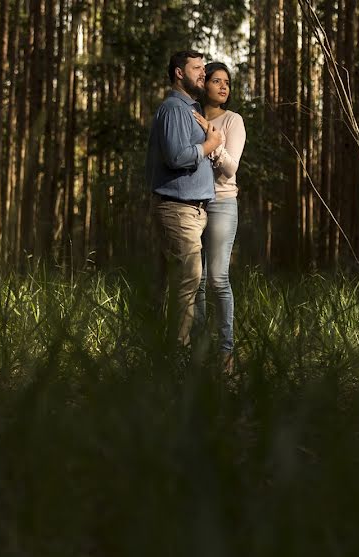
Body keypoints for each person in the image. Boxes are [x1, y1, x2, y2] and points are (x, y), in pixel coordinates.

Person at [146, 50, 223, 349]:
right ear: (179, 73)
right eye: (197, 68)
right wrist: (209, 144)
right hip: (178, 210)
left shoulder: (190, 108)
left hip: (191, 211)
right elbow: (177, 156)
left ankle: (164, 355)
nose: (203, 73)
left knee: (176, 285)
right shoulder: (175, 109)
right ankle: (177, 354)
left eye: (204, 68)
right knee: (187, 285)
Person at [193, 62, 246, 372]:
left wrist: (212, 141)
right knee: (195, 280)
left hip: (223, 203)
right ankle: (198, 351)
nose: (223, 87)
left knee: (217, 278)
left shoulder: (233, 121)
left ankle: (226, 353)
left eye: (227, 82)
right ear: (205, 85)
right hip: (193, 204)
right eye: (216, 81)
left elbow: (230, 168)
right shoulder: (191, 116)